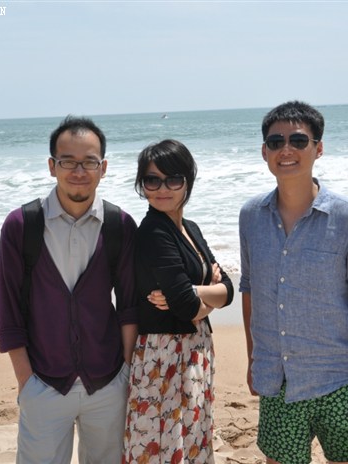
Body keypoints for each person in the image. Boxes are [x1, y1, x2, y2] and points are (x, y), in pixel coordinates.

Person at [239, 101, 348, 464]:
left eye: (298, 140)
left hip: (338, 382)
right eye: (276, 142)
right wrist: (253, 360)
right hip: (277, 384)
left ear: (318, 148)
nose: (286, 150)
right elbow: (250, 291)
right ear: (264, 151)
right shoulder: (251, 216)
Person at [0, 116, 138, 464]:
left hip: (108, 383)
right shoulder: (22, 225)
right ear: (51, 166)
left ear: (103, 168)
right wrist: (26, 382)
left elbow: (130, 306)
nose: (79, 171)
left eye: (89, 161)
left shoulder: (119, 225)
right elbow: (8, 309)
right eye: (68, 161)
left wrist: (125, 371)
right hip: (43, 384)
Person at [123, 139, 235, 463]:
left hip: (195, 349)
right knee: (161, 446)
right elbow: (187, 307)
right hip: (163, 356)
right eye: (152, 180)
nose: (162, 189)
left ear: (188, 181)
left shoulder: (190, 228)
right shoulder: (153, 232)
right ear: (142, 184)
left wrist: (195, 292)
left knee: (192, 440)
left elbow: (228, 289)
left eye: (173, 179)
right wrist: (202, 293)